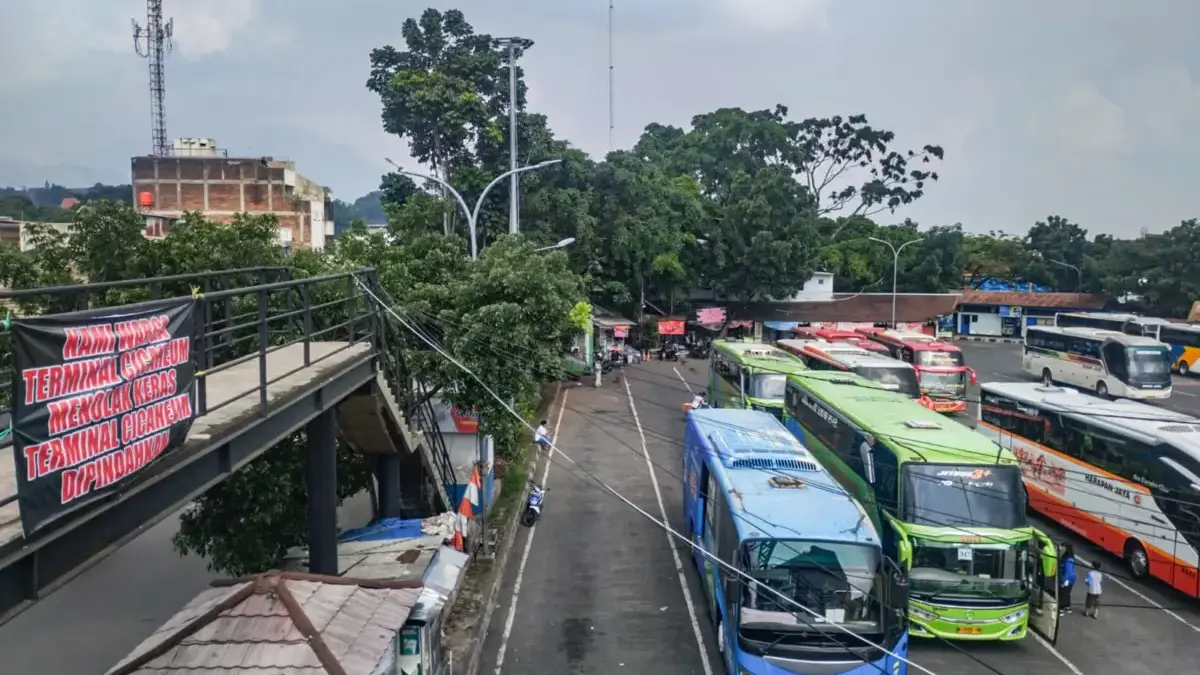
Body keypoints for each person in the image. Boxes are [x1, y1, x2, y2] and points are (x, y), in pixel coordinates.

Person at [1059, 543, 1077, 615]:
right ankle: (1067, 607)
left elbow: (1067, 571)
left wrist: (1064, 581)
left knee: (1063, 593)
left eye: (1062, 547)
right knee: (1067, 593)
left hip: (1066, 579)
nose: (1061, 549)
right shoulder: (1069, 557)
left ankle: (1061, 609)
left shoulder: (1068, 559)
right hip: (1071, 579)